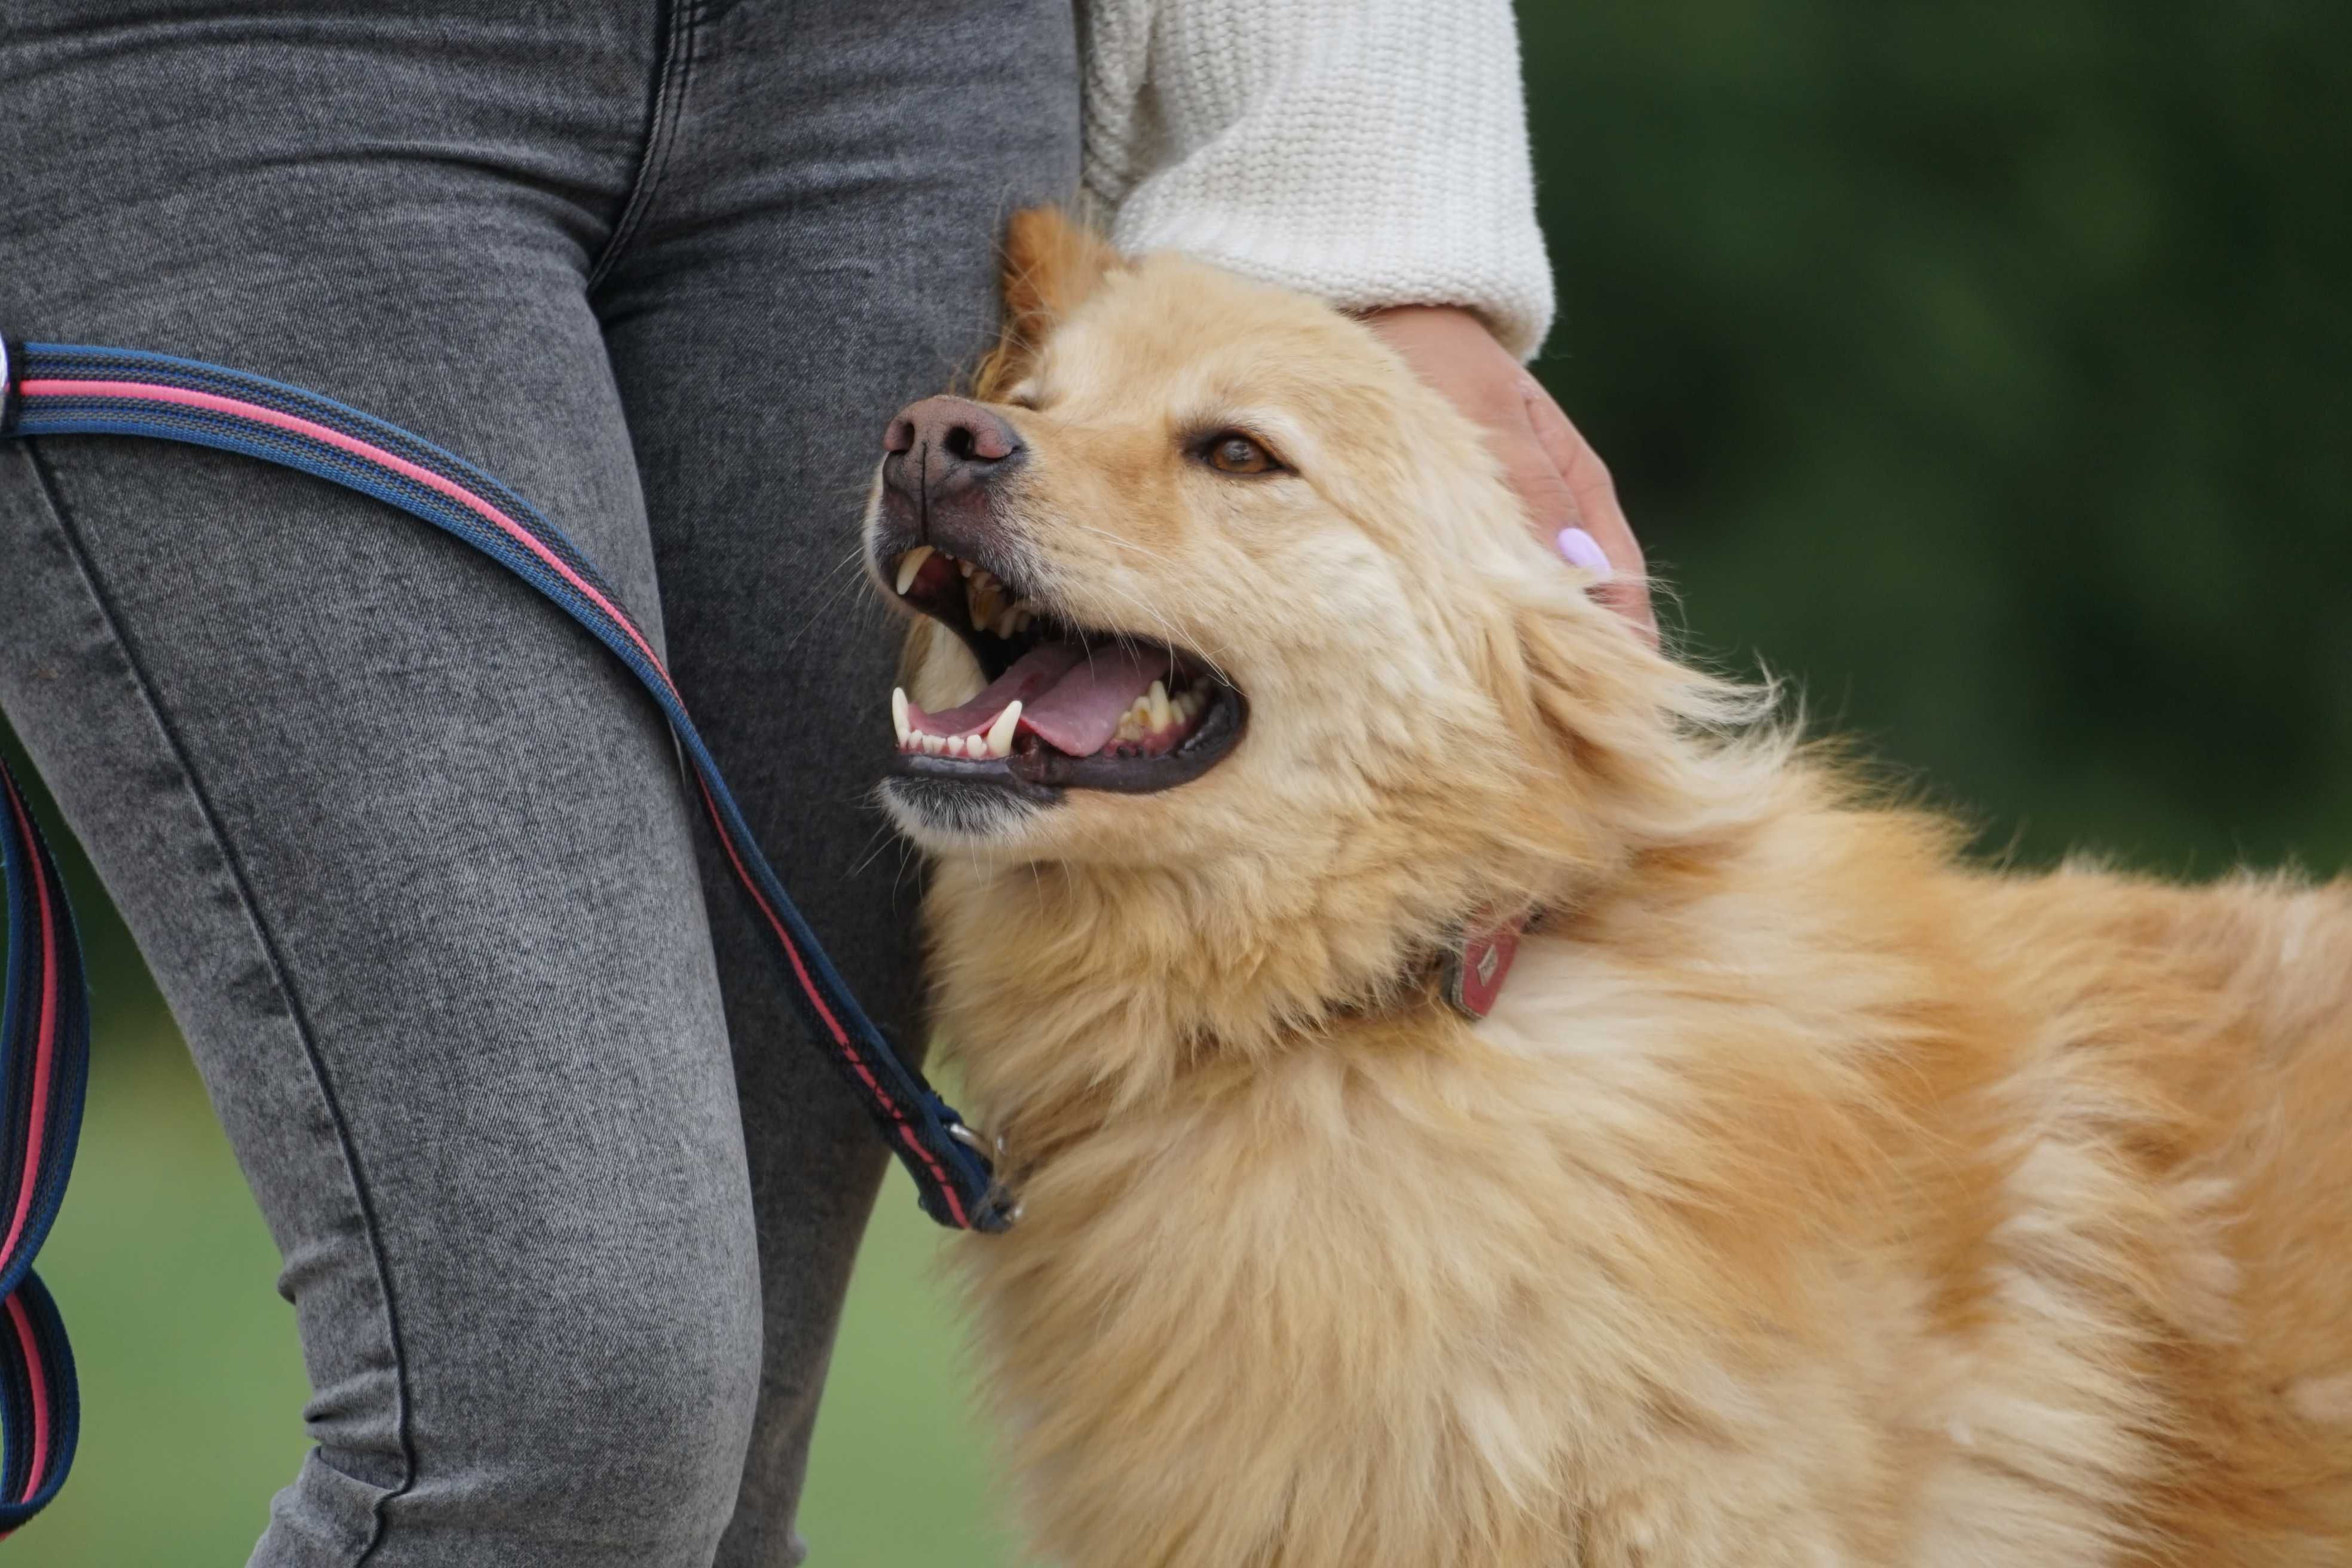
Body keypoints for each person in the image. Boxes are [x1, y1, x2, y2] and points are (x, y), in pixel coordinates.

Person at [0, 1, 1644, 1562]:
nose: (972, 438)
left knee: (718, 1488)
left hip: (886, 83)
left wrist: (1369, 202)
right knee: (566, 1421)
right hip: (225, 85)